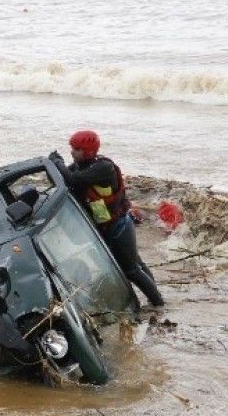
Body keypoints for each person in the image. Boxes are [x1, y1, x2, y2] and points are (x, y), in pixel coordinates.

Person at [49, 130, 164, 307]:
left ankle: (158, 304)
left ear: (87, 151)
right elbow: (64, 177)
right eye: (72, 148)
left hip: (119, 226)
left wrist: (57, 162)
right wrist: (55, 166)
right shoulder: (82, 166)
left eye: (76, 149)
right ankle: (155, 297)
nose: (72, 152)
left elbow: (73, 180)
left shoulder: (103, 168)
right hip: (108, 226)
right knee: (136, 264)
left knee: (132, 269)